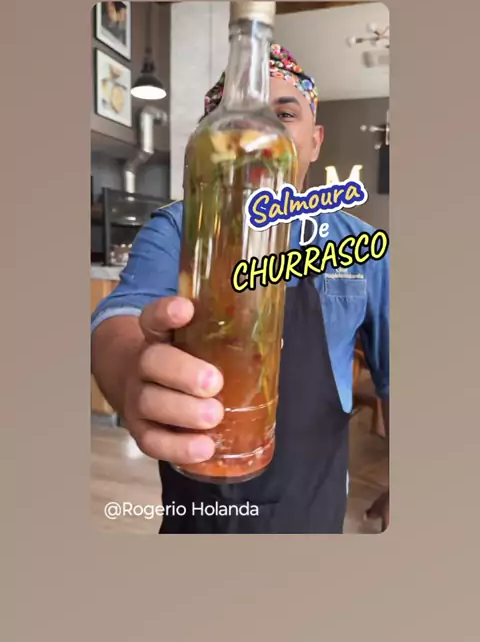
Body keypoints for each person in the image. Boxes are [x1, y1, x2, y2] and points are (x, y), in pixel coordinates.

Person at [91, 44, 389, 534]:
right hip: (197, 509)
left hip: (310, 510)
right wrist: (130, 376)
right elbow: (118, 318)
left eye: (284, 115)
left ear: (315, 141)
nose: (258, 134)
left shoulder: (361, 246)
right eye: (237, 120)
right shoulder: (176, 228)